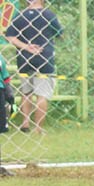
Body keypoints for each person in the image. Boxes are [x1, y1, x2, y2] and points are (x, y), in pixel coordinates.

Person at [3, 0, 63, 135]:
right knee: (42, 94)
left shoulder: (20, 16)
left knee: (26, 92)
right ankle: (38, 128)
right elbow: (59, 33)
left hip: (24, 58)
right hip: (44, 57)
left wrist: (27, 47)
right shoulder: (48, 15)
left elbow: (10, 36)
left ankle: (25, 123)